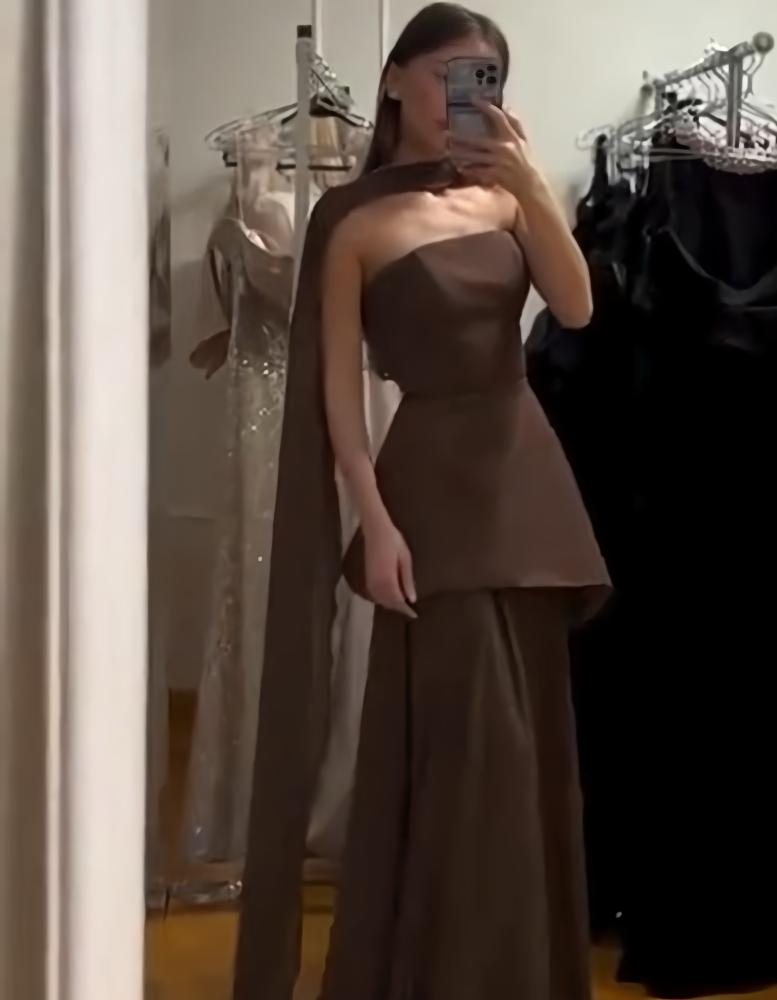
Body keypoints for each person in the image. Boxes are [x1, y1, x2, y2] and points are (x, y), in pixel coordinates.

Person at [232, 5, 610, 999]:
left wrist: (528, 182)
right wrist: (376, 521)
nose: (461, 98)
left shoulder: (503, 199)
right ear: (396, 77)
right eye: (447, 74)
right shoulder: (351, 221)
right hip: (430, 497)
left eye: (483, 80)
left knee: (529, 747)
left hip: (527, 487)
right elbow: (335, 397)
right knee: (467, 746)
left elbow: (575, 307)